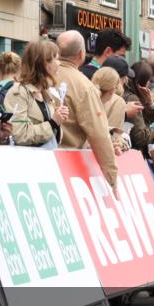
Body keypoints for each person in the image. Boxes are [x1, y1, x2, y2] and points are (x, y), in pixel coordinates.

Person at [54, 31, 119, 189]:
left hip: (37, 158)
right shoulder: (84, 86)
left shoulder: (42, 75)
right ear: (81, 54)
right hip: (69, 165)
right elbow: (98, 133)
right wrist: (112, 178)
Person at [4, 39, 69, 148]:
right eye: (56, 59)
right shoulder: (19, 92)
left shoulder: (45, 92)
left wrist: (58, 119)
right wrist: (53, 122)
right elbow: (19, 135)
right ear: (44, 63)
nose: (59, 63)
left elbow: (52, 135)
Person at [92, 66, 130, 157]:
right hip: (97, 156)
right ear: (113, 90)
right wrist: (123, 142)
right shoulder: (118, 102)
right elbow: (114, 138)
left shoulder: (84, 98)